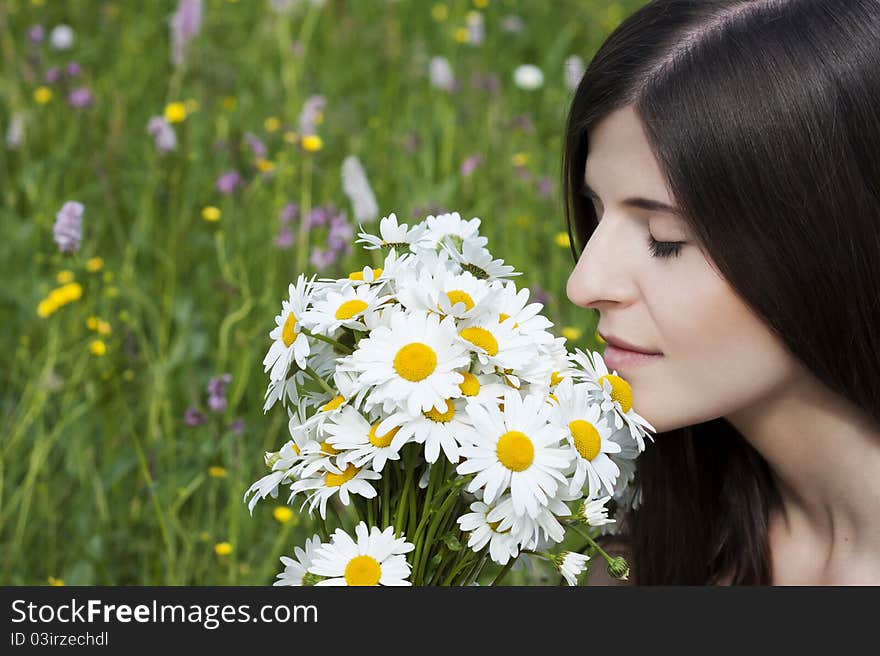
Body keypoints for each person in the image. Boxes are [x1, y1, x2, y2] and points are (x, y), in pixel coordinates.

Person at [561, 0, 880, 585]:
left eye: (665, 238)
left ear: (835, 246)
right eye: (596, 210)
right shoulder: (633, 548)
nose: (584, 284)